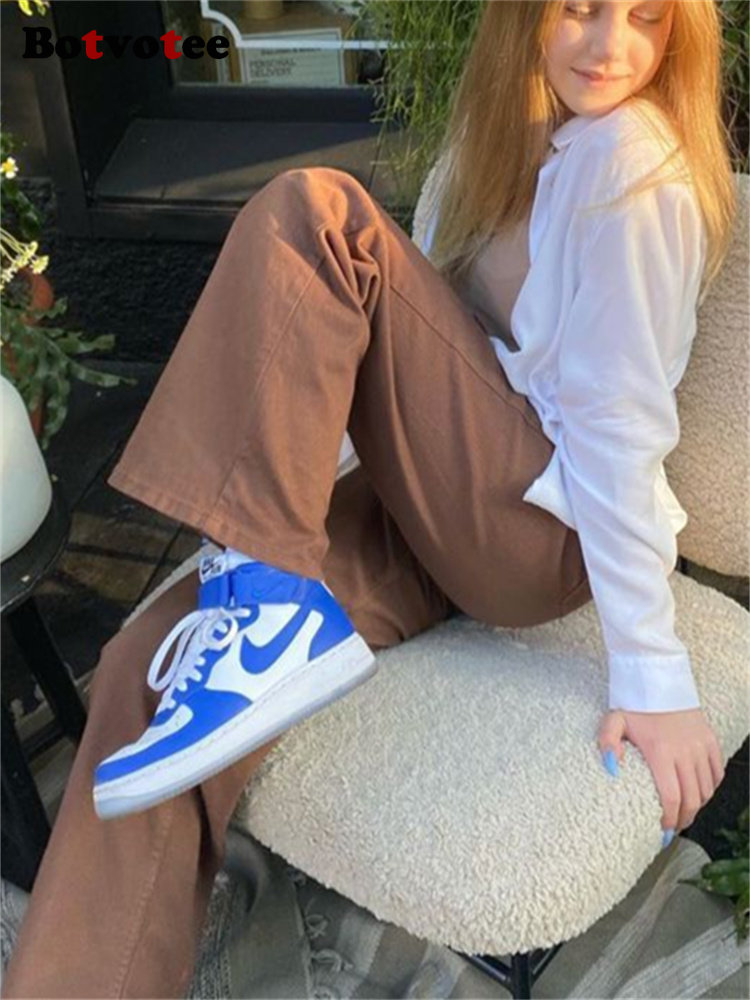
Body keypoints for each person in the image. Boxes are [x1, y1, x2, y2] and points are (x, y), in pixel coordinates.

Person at [3, 0, 738, 996]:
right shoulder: (495, 145)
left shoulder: (633, 168)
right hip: (442, 507)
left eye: (646, 18)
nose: (612, 46)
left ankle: (265, 606)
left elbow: (619, 431)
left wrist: (654, 674)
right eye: (580, 9)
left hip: (539, 535)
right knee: (148, 666)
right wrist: (299, 495)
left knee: (320, 215)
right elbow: (406, 378)